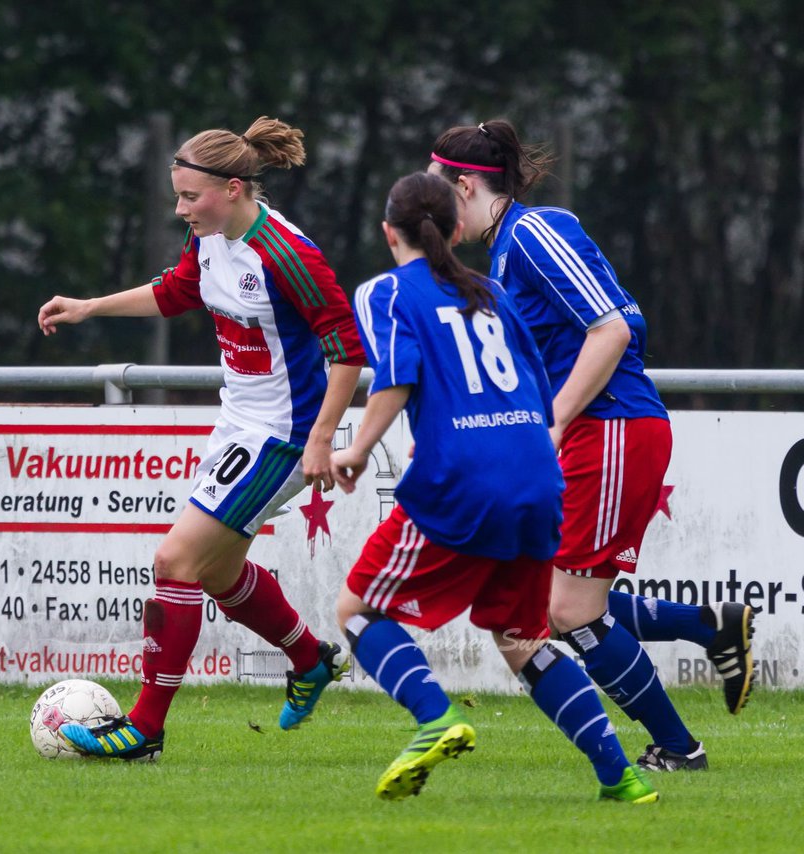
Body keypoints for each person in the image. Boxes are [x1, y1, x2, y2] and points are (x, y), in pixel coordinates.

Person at [427, 119, 755, 774]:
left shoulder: (536, 231)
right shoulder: (506, 250)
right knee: (554, 594)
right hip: (591, 432)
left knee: (568, 610)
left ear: (464, 186)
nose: (424, 202)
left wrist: (552, 424)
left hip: (611, 429)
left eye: (433, 186)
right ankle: (708, 625)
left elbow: (613, 327)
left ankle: (679, 749)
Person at [37, 116, 364, 760]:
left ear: (236, 188)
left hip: (284, 436)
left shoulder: (288, 255)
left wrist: (322, 439)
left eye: (191, 197)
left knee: (174, 563)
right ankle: (310, 659)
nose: (182, 210)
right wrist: (88, 307)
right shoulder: (212, 239)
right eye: (178, 197)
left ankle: (144, 728)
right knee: (216, 573)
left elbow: (347, 346)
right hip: (238, 425)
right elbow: (174, 293)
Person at [331, 171, 656, 803]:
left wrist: (358, 448)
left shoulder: (384, 292)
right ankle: (622, 775)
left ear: (386, 232)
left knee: (357, 610)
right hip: (537, 480)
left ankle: (435, 719)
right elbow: (536, 388)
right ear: (456, 229)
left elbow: (394, 381)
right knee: (523, 637)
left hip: (463, 481)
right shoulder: (493, 292)